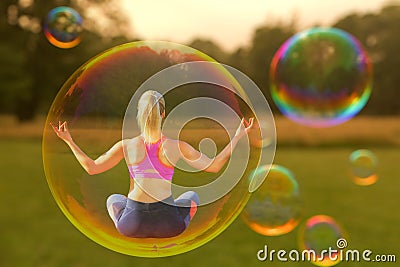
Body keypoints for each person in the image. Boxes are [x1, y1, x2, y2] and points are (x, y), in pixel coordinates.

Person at [51, 90, 253, 238]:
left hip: (132, 226)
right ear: (163, 114)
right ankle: (180, 220)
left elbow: (91, 167)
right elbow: (215, 166)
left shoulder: (127, 145)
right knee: (192, 196)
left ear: (139, 115)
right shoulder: (177, 146)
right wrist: (236, 137)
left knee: (114, 199)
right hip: (170, 225)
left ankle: (122, 222)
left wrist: (69, 140)